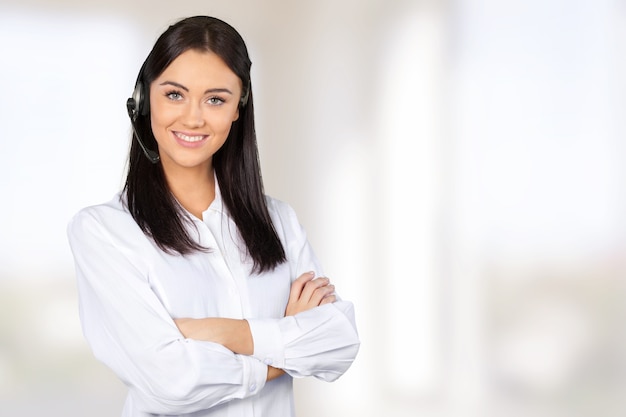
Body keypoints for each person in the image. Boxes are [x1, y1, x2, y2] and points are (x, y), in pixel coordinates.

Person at [67, 15, 360, 417]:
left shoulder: (279, 222)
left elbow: (339, 343)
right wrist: (286, 343)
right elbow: (170, 382)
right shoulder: (104, 231)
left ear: (238, 109)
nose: (193, 118)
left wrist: (223, 333)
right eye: (174, 95)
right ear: (143, 97)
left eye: (216, 99)